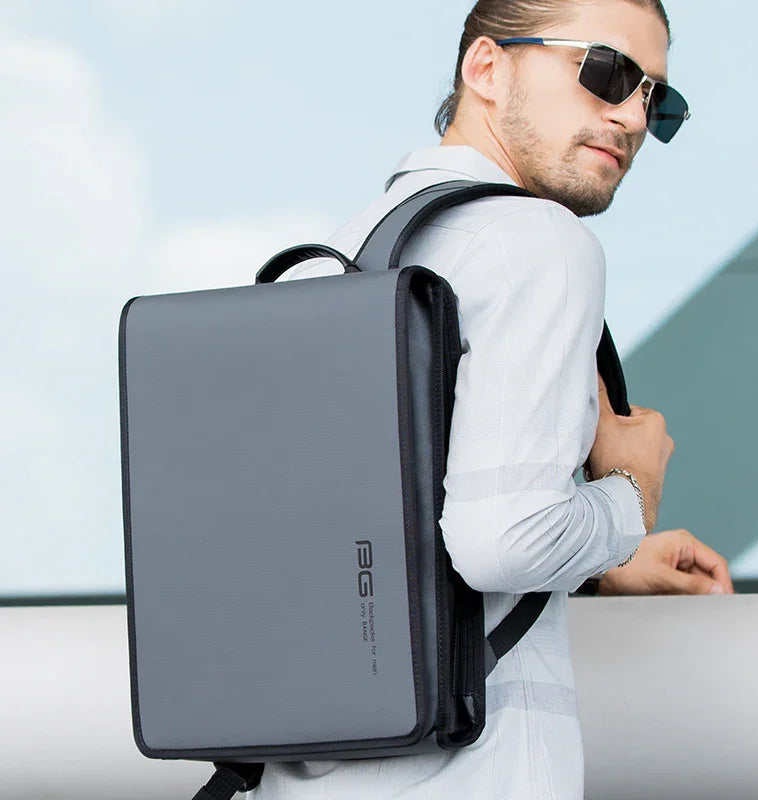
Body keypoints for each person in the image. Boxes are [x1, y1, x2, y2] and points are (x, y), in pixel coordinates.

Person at [249, 1, 733, 797]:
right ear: (486, 68)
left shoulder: (342, 253)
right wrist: (632, 496)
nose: (633, 117)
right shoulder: (538, 242)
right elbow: (501, 542)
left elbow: (383, 543)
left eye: (657, 98)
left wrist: (603, 565)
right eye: (606, 71)